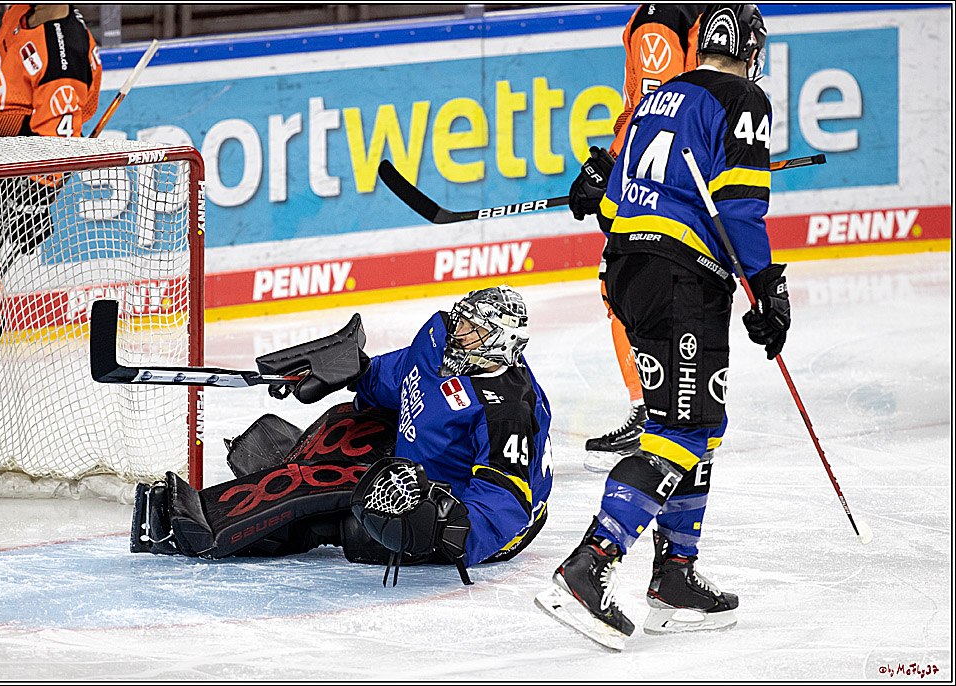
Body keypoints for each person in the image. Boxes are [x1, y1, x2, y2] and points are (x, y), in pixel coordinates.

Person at [537, 5, 787, 651]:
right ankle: (587, 567)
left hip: (630, 270)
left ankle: (674, 577)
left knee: (698, 424)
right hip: (681, 282)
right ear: (752, 49)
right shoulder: (745, 97)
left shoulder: (661, 94)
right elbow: (738, 209)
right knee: (680, 430)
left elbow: (618, 200)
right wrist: (767, 288)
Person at [132, 285, 553, 585]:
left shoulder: (510, 412)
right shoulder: (438, 345)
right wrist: (353, 374)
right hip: (415, 459)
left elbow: (507, 502)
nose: (459, 334)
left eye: (473, 332)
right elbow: (401, 378)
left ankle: (194, 530)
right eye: (462, 321)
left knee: (334, 507)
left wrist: (451, 529)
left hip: (464, 515)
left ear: (502, 345)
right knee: (342, 424)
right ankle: (290, 468)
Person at [570, 4, 705, 473]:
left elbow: (656, 109)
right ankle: (673, 411)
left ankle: (657, 411)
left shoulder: (661, 17)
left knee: (628, 287)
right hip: (688, 173)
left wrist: (611, 168)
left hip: (656, 180)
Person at [0, 4, 101, 386]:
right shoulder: (22, 10)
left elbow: (55, 140)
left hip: (8, 172)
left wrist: (37, 199)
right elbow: (11, 84)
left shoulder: (65, 53)